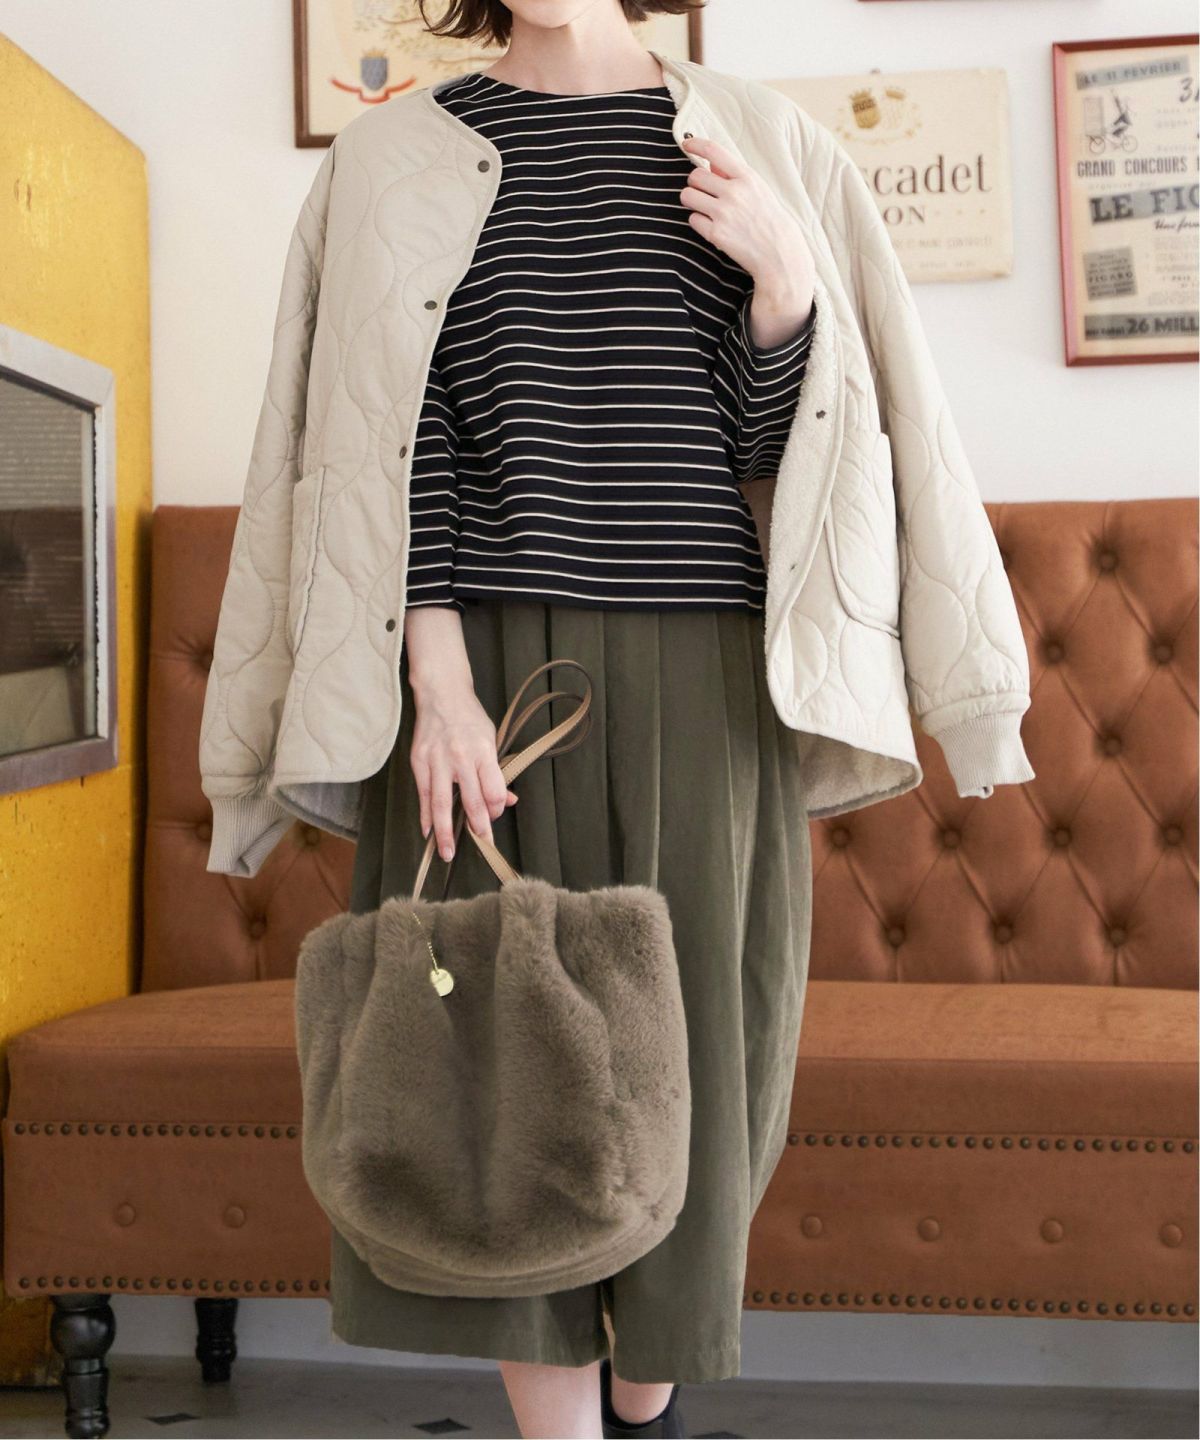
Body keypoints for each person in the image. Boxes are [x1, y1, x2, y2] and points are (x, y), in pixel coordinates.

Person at [198, 0, 1036, 1434]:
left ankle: (645, 1406)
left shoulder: (766, 140)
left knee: (707, 1076)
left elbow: (799, 452)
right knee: (504, 1071)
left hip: (710, 678)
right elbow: (380, 445)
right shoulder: (392, 156)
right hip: (475, 674)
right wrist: (438, 690)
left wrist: (785, 291)